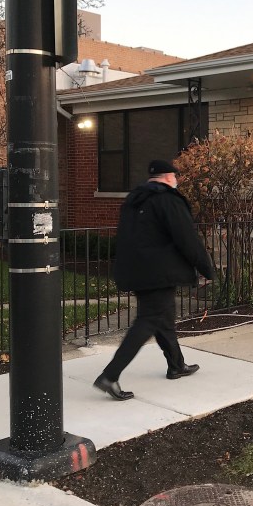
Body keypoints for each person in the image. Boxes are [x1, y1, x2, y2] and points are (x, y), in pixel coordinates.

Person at [93, 159, 215, 401]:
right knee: (149, 320)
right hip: (159, 272)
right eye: (176, 178)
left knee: (163, 318)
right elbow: (187, 239)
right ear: (169, 177)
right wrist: (206, 268)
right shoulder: (168, 200)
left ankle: (177, 365)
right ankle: (110, 375)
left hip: (135, 270)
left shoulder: (133, 200)